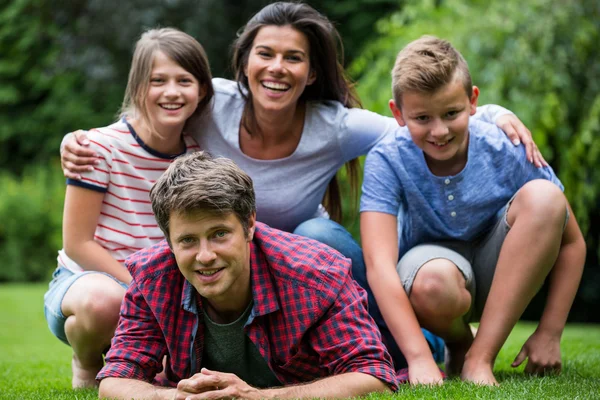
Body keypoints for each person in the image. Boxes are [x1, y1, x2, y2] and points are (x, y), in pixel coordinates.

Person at [59, 1, 545, 369]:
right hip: (231, 261)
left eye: (293, 58)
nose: (277, 68)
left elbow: (421, 125)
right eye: (265, 54)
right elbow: (152, 109)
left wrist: (496, 115)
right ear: (244, 63)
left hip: (296, 262)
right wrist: (79, 139)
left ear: (311, 72)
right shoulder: (211, 104)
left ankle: (399, 347)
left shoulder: (335, 125)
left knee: (321, 235)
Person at [359, 35, 586, 386]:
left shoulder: (505, 144)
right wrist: (418, 358)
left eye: (451, 113)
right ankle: (459, 343)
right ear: (398, 114)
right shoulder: (386, 158)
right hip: (434, 277)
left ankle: (480, 358)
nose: (439, 131)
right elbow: (379, 264)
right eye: (422, 118)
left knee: (545, 197)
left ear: (473, 101)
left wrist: (550, 331)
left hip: (504, 267)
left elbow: (572, 243)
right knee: (432, 283)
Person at [97, 151, 398, 399]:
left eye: (219, 234)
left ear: (249, 225)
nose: (205, 256)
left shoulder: (315, 276)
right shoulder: (152, 278)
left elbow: (374, 377)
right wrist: (176, 397)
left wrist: (256, 397)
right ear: (169, 240)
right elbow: (116, 380)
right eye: (187, 240)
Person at [43, 28, 214, 388]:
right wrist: (145, 290)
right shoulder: (97, 148)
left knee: (172, 379)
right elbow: (78, 244)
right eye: (158, 80)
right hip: (88, 283)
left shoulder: (197, 157)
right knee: (104, 302)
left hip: (160, 290)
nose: (171, 92)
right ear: (138, 87)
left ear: (201, 90)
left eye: (184, 80)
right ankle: (86, 361)